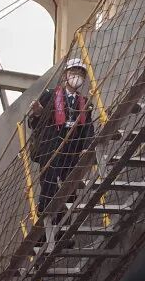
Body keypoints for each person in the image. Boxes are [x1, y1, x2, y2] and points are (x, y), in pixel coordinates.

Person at [27, 58, 96, 234]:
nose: (76, 77)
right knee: (49, 188)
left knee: (70, 190)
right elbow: (34, 123)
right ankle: (43, 232)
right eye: (73, 73)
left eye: (80, 74)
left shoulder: (84, 102)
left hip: (71, 152)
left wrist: (87, 147)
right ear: (65, 75)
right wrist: (38, 113)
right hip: (51, 148)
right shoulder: (50, 95)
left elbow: (88, 128)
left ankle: (64, 229)